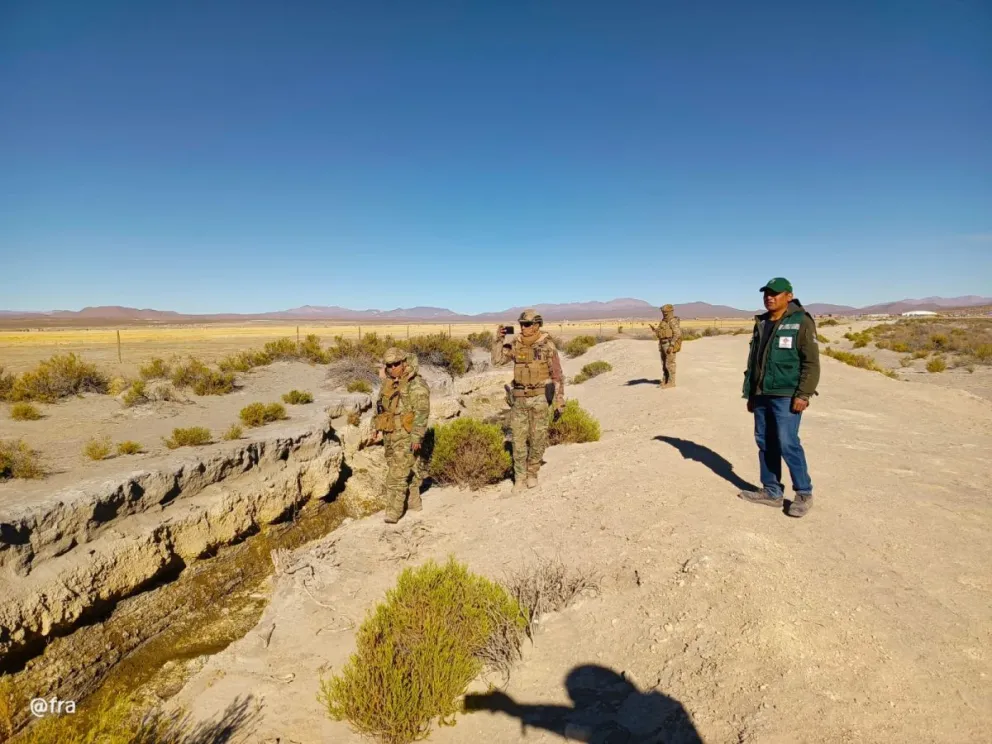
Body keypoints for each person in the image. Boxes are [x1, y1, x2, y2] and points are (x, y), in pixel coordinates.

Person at [740, 278, 820, 517]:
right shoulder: (761, 323)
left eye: (775, 294)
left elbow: (811, 362)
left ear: (789, 295)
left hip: (787, 394)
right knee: (765, 442)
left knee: (788, 443)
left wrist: (803, 393)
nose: (769, 297)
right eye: (766, 293)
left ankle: (804, 493)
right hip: (762, 393)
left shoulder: (801, 321)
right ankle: (772, 491)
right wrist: (751, 393)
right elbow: (755, 361)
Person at [491, 309, 566, 492]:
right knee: (517, 441)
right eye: (521, 324)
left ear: (537, 325)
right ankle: (519, 478)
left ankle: (532, 473)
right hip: (519, 400)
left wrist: (559, 399)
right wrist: (498, 340)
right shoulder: (516, 344)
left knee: (538, 439)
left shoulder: (548, 345)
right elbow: (497, 361)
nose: (523, 328)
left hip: (540, 399)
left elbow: (557, 375)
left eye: (527, 324)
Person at [373, 347, 431, 524]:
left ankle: (393, 512)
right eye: (388, 365)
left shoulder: (416, 384)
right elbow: (380, 406)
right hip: (390, 434)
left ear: (404, 363)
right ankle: (414, 503)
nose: (392, 368)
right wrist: (375, 426)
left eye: (396, 364)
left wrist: (416, 437)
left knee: (396, 476)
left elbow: (422, 412)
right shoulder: (388, 383)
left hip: (406, 435)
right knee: (402, 469)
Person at [649, 303, 682, 388]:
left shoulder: (672, 321)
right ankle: (665, 380)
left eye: (665, 312)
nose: (664, 314)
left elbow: (677, 333)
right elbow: (661, 333)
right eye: (663, 312)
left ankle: (671, 382)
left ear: (670, 312)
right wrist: (655, 330)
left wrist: (672, 345)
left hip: (669, 344)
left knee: (670, 363)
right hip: (662, 344)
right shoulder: (663, 321)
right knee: (664, 364)